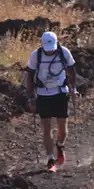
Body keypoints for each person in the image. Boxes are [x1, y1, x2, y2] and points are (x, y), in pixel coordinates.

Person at [24, 31, 77, 172]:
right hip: (43, 94)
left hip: (60, 93)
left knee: (63, 130)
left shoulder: (64, 52)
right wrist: (30, 97)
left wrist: (73, 89)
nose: (50, 51)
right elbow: (30, 76)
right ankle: (50, 159)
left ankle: (60, 146)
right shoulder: (36, 55)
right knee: (46, 128)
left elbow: (71, 70)